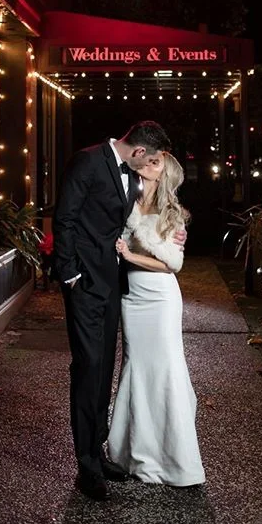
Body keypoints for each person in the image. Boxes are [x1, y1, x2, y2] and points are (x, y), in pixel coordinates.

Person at [53, 121, 185, 501]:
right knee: (88, 368)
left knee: (104, 369)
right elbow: (65, 219)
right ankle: (86, 467)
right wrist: (70, 275)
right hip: (85, 285)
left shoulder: (132, 173)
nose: (153, 165)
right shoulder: (88, 162)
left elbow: (133, 222)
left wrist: (170, 231)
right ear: (139, 151)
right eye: (153, 158)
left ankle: (98, 454)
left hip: (113, 286)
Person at [108, 152, 205, 487]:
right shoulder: (128, 201)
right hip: (131, 297)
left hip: (160, 298)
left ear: (165, 175)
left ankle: (177, 461)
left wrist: (130, 254)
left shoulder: (172, 214)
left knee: (165, 369)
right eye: (147, 160)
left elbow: (171, 264)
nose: (148, 164)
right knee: (135, 366)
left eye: (156, 163)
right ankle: (134, 454)